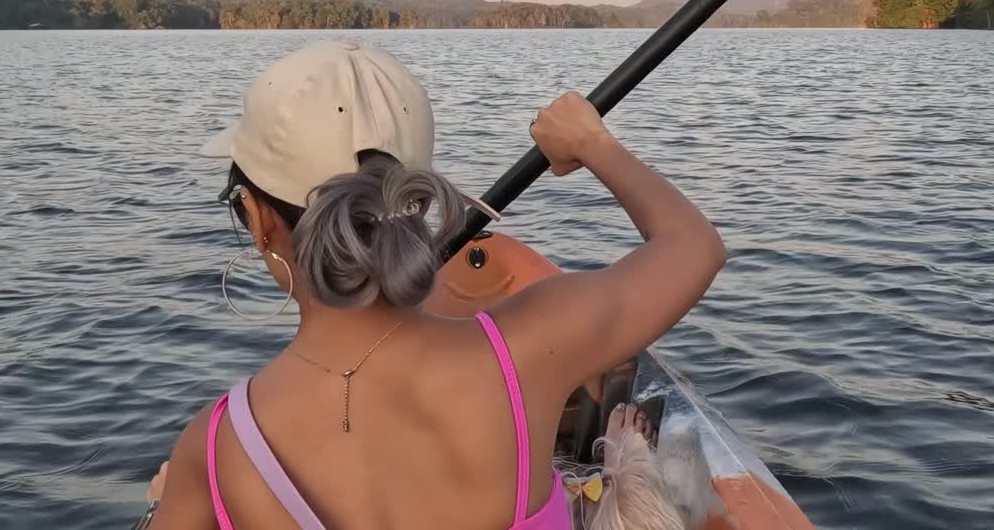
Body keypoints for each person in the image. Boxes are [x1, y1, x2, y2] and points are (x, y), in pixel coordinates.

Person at [146, 40, 724, 529]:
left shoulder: (217, 450)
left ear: (258, 217)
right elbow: (693, 248)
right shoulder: (533, 346)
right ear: (413, 196)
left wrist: (180, 498)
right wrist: (590, 142)